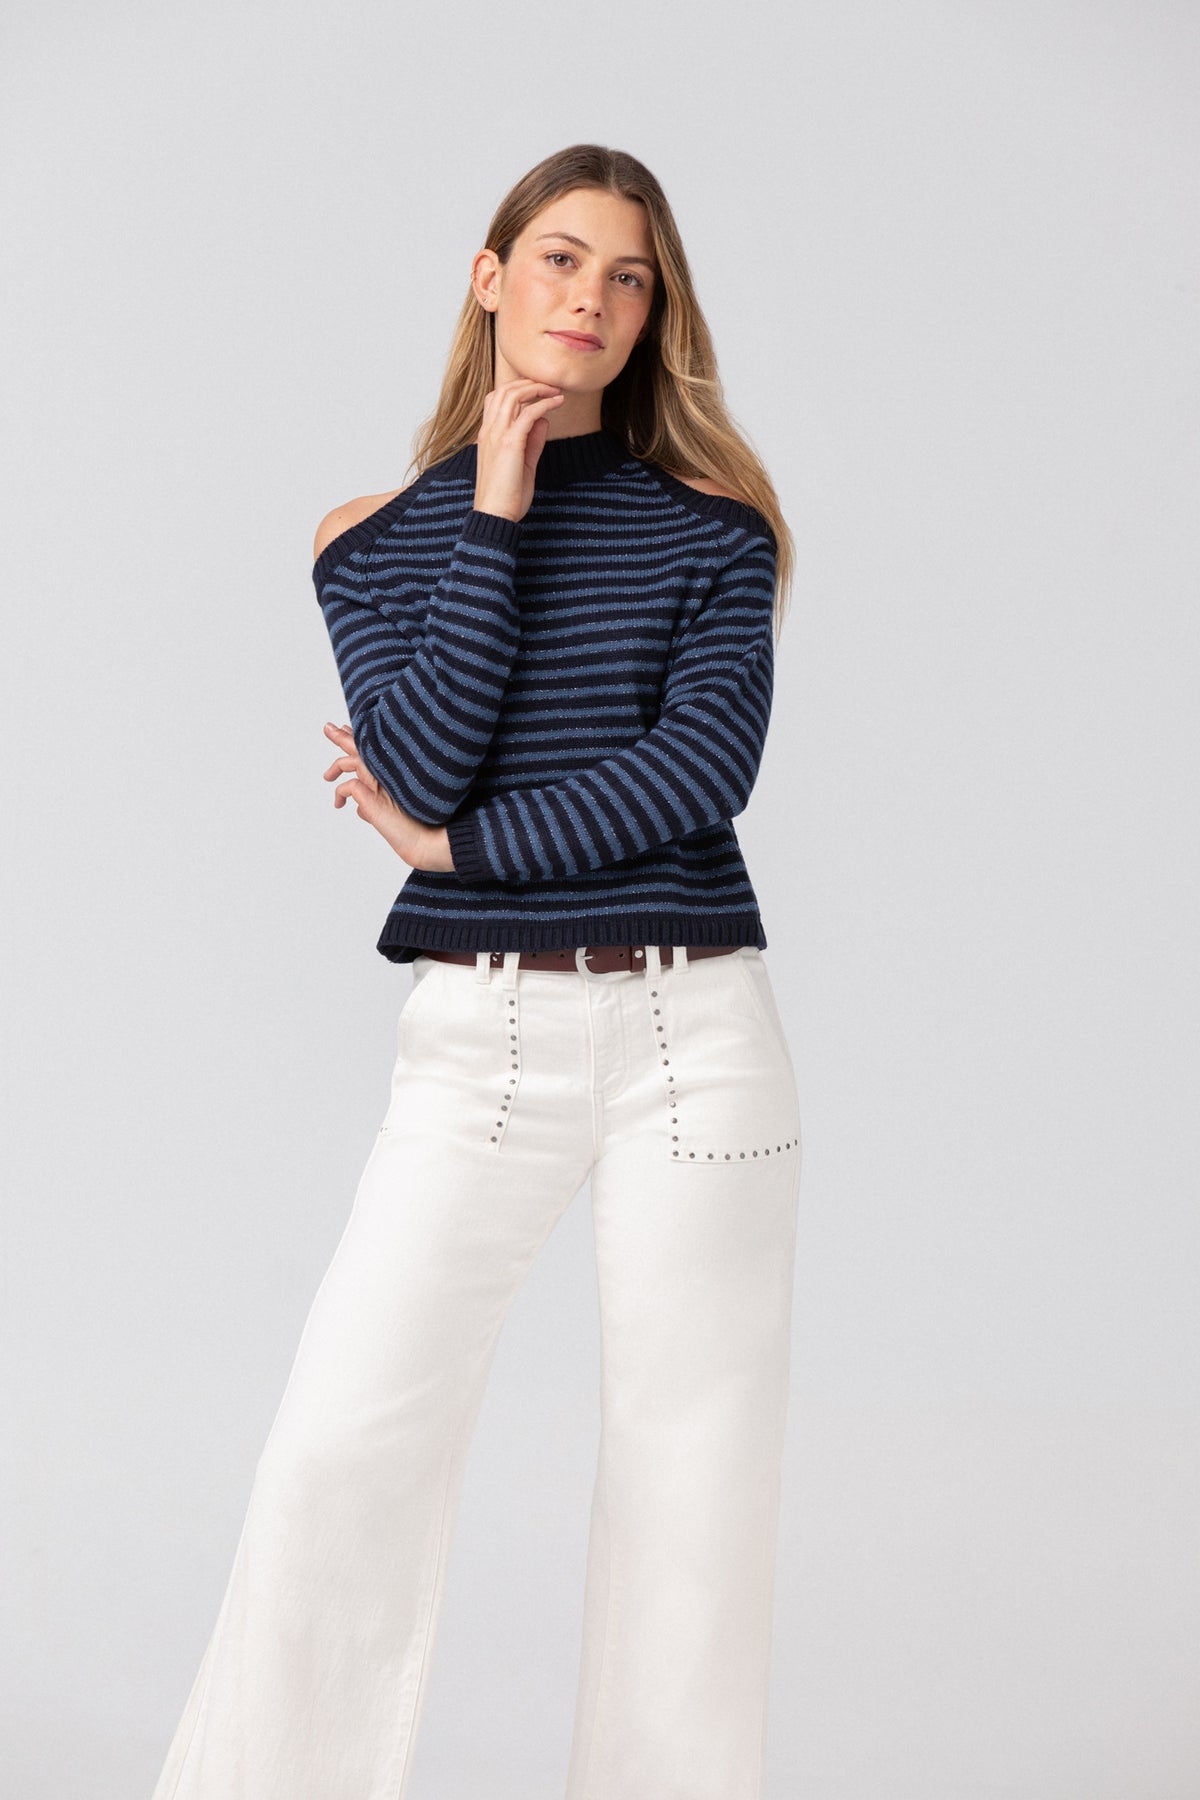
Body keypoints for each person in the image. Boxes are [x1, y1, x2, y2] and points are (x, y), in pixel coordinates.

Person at [151, 142, 802, 1800]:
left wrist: (458, 860)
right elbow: (430, 759)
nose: (594, 298)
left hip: (695, 1032)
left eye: (630, 277)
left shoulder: (715, 531)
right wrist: (496, 508)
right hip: (481, 1046)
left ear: (653, 316)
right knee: (339, 1451)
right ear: (490, 276)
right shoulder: (372, 540)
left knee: (692, 1489)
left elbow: (700, 774)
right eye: (564, 259)